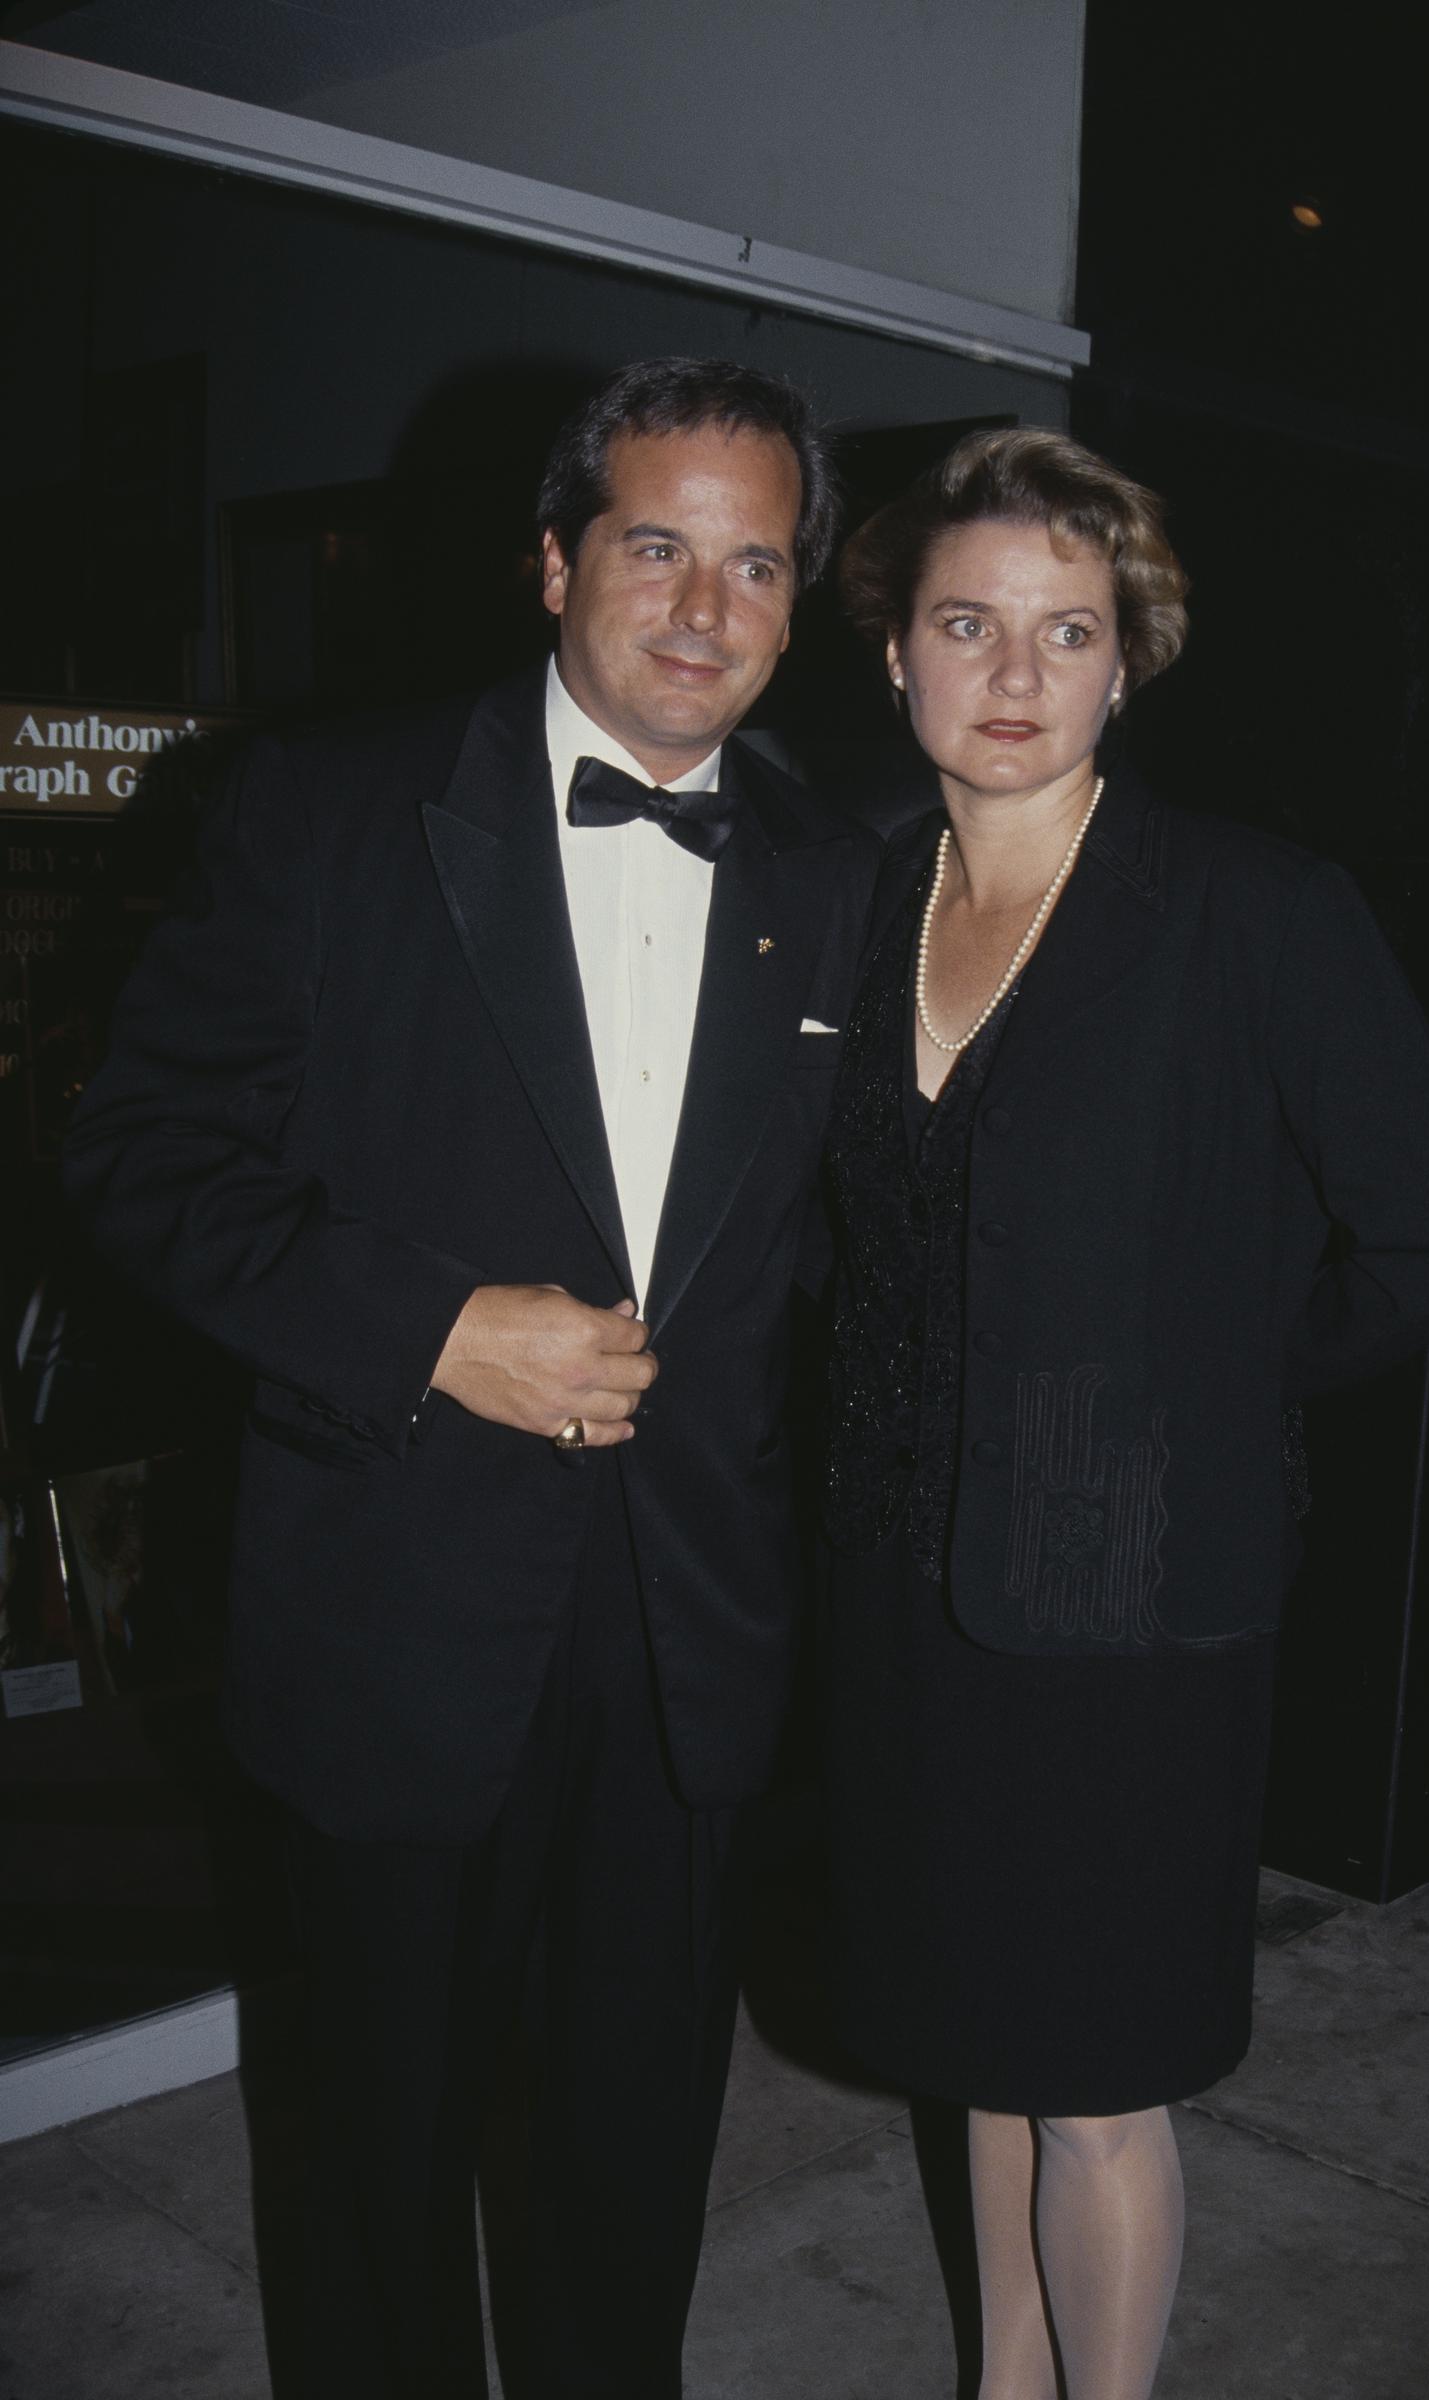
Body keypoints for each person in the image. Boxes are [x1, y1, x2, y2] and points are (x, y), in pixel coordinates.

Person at [63, 356, 877, 2400]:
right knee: (370, 2161)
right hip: (393, 1613)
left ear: (799, 597)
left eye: (753, 562)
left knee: (631, 2163)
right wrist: (428, 1324)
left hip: (687, 1641)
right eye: (653, 546)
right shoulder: (327, 812)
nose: (701, 607)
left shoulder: (838, 872)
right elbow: (139, 1158)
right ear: (549, 559)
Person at [819, 427, 1429, 2400]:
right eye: (967, 622)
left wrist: (1212, 1376)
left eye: (1069, 629)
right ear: (893, 650)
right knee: (981, 2040)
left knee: (1100, 2088)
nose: (1016, 671)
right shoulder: (862, 903)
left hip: (1134, 1603)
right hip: (909, 1591)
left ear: (1125, 661)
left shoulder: (1248, 908)